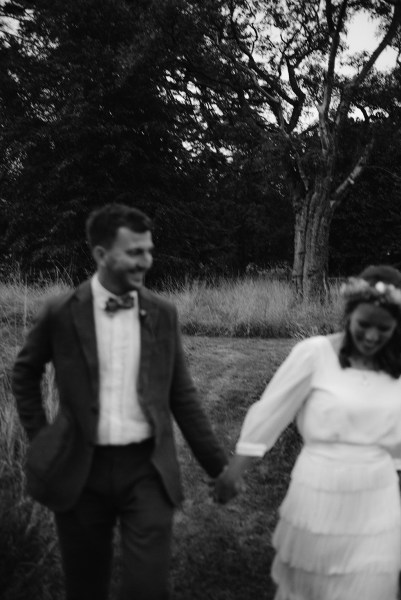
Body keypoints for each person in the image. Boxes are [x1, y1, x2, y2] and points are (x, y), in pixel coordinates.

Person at [12, 203, 228, 600]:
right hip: (80, 469)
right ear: (101, 255)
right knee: (85, 586)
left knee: (148, 588)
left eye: (148, 250)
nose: (146, 261)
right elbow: (24, 372)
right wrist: (40, 437)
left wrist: (218, 465)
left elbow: (182, 395)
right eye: (134, 252)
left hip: (147, 470)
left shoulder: (163, 313)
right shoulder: (60, 312)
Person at [215, 264, 401, 600]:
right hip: (318, 490)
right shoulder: (314, 353)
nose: (372, 336)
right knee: (312, 588)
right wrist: (234, 473)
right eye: (364, 325)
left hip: (378, 498)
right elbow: (271, 412)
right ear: (348, 316)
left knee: (371, 586)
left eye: (384, 329)